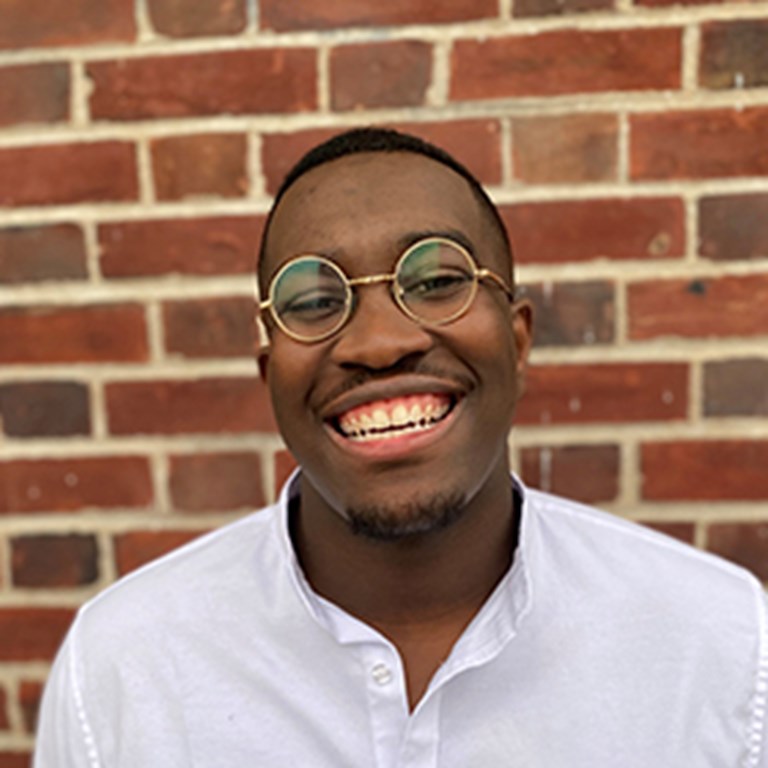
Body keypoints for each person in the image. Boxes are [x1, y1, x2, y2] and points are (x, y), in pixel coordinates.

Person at [34, 128, 767, 767]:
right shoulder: (123, 668)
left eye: (437, 278)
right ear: (270, 376)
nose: (380, 343)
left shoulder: (722, 647)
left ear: (518, 340)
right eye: (315, 300)